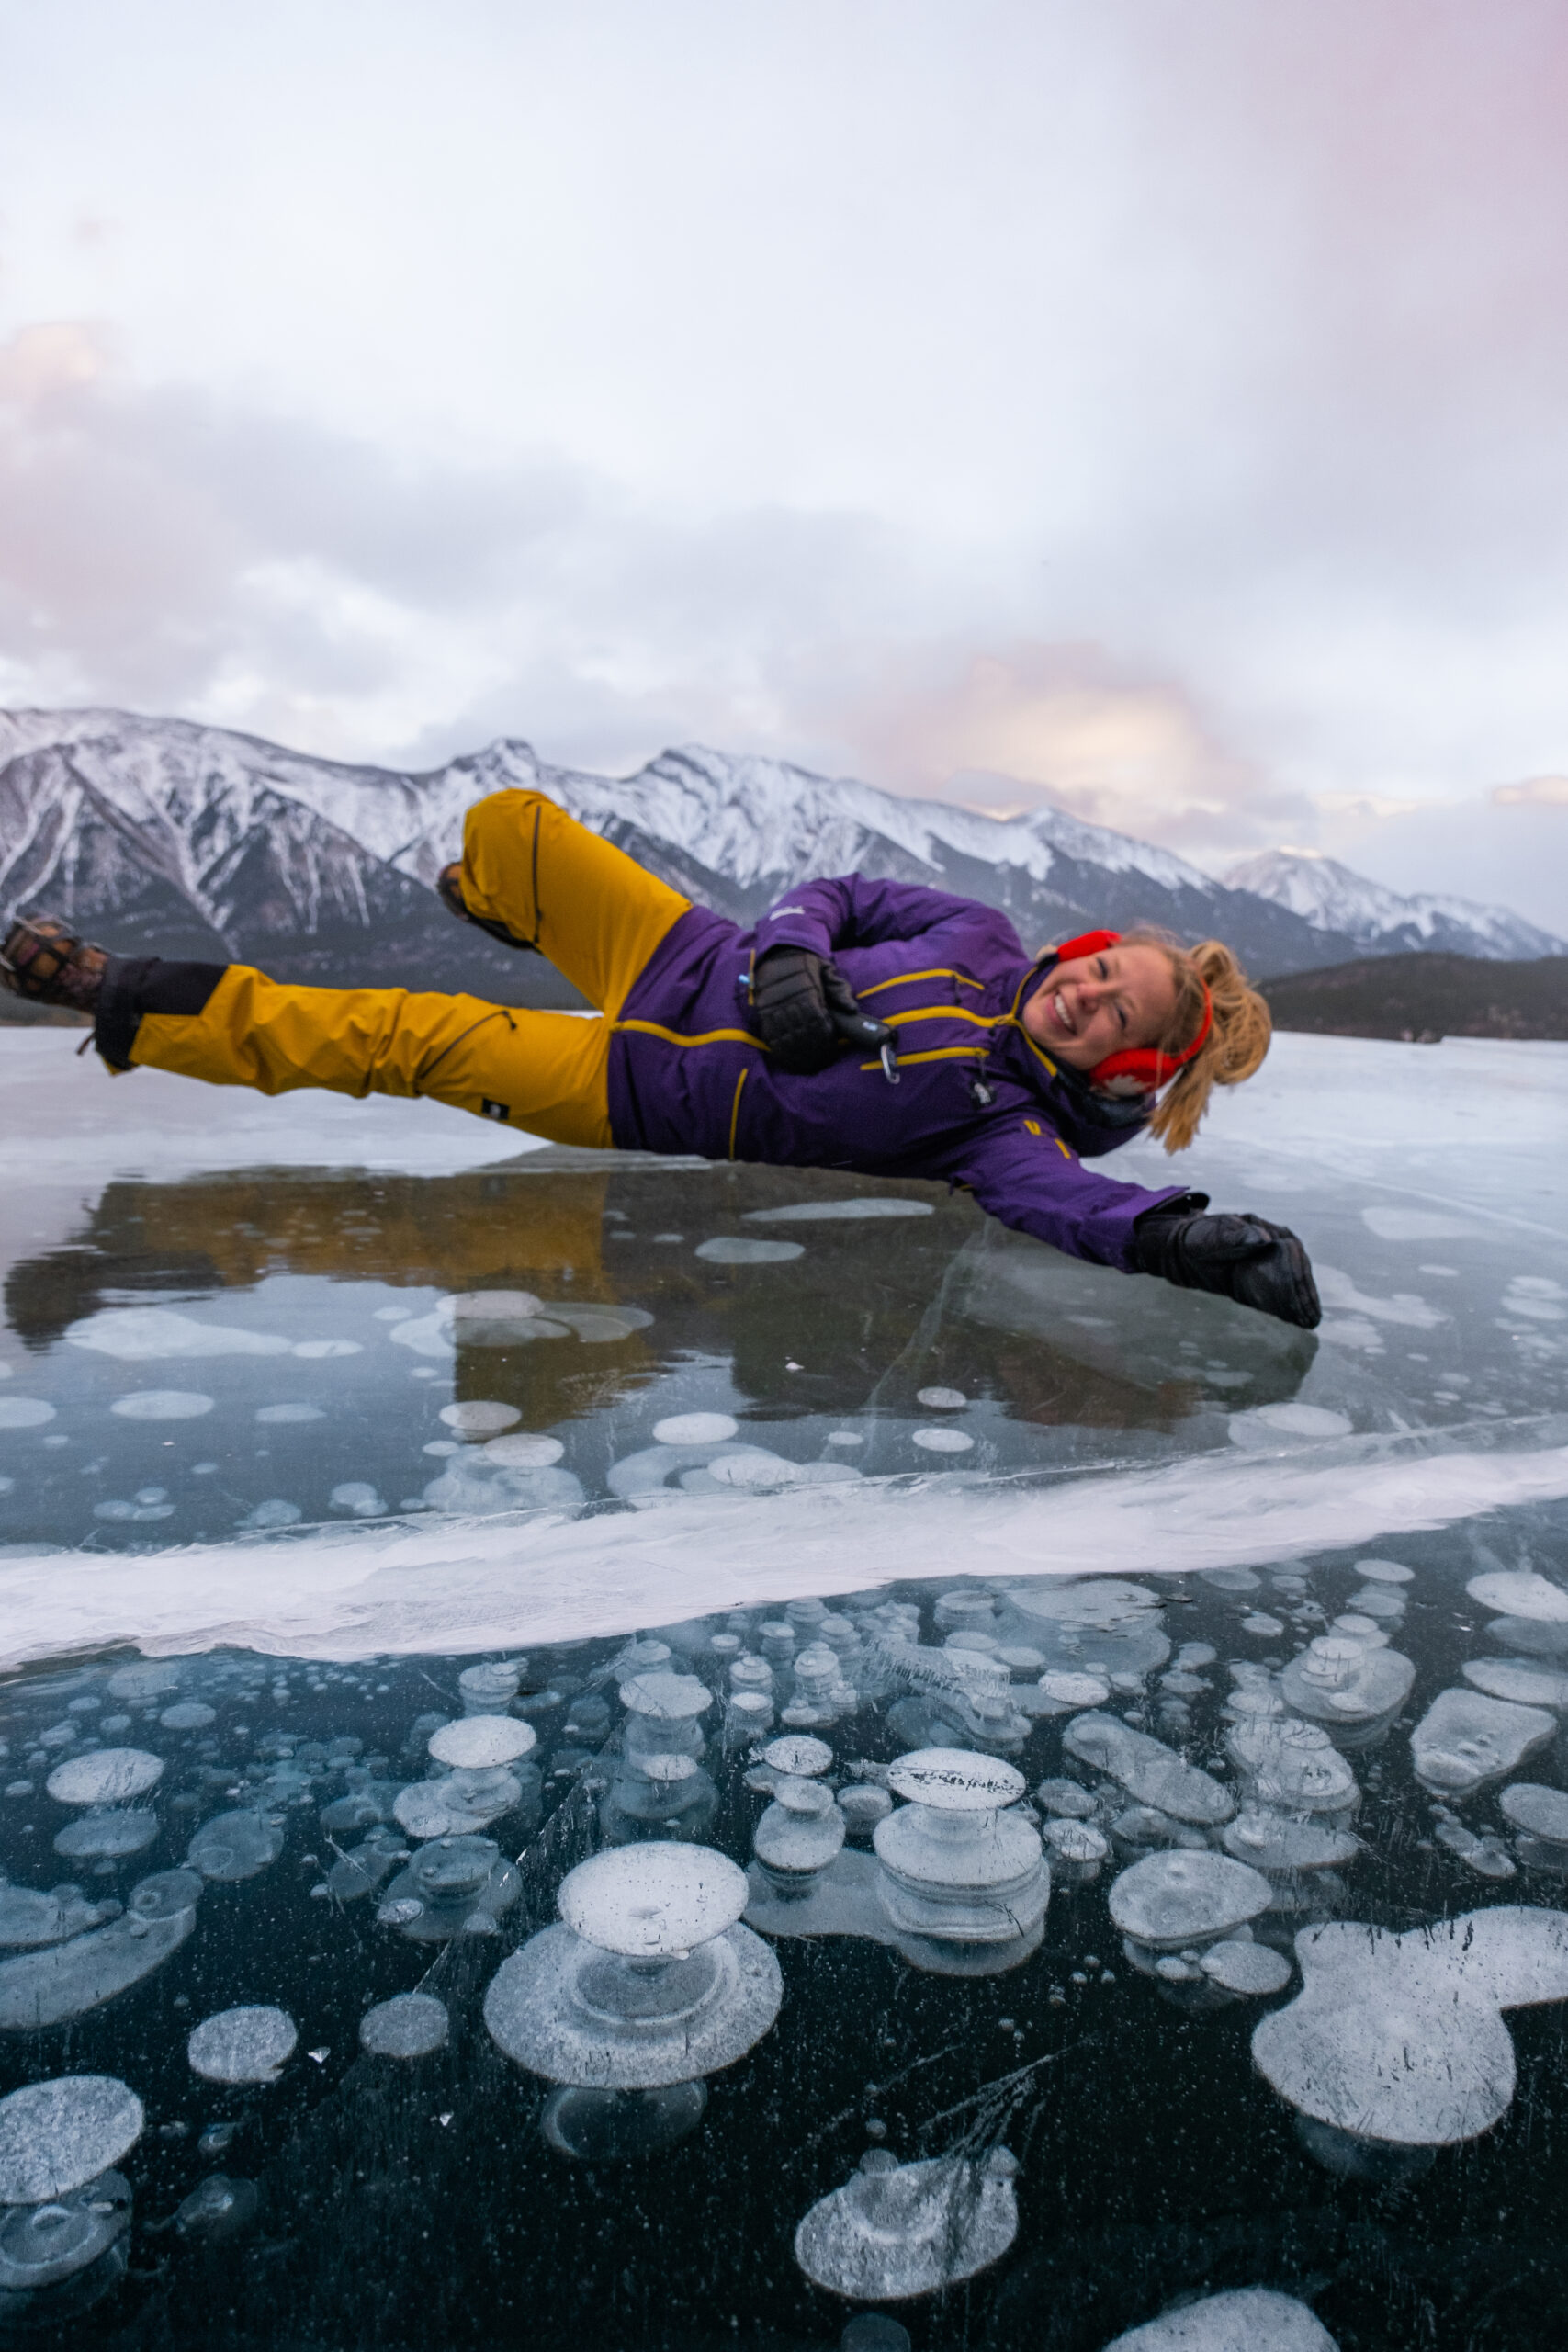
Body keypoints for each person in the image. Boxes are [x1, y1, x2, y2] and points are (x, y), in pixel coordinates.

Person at [0, 786, 1319, 1327]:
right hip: (681, 953)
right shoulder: (977, 934)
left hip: (631, 1090)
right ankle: (503, 903)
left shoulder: (1000, 1130)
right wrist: (789, 957)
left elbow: (1074, 1207)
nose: (1087, 993)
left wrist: (1169, 1239)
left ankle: (133, 999)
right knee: (510, 822)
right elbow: (838, 893)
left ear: (1136, 1072)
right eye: (1100, 966)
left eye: (1120, 1015)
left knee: (402, 1036)